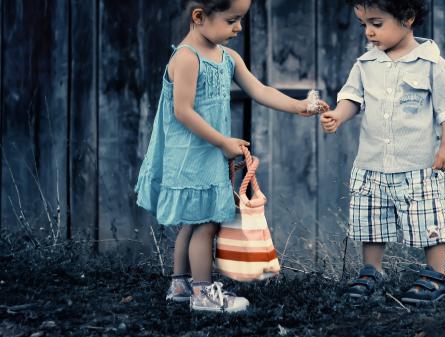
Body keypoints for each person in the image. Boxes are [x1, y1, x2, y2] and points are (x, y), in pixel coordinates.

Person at [135, 0, 328, 313]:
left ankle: (180, 284)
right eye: (232, 20)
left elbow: (260, 90)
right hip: (191, 154)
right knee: (207, 222)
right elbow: (182, 111)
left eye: (241, 19)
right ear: (199, 17)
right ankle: (203, 294)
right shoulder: (187, 57)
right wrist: (223, 142)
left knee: (192, 221)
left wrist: (299, 106)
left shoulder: (227, 58)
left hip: (207, 153)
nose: (239, 27)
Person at [320, 0, 445, 304]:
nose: (368, 33)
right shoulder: (366, 64)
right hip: (372, 162)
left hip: (417, 164)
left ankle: (437, 274)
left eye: (376, 24)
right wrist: (339, 114)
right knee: (371, 220)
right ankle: (372, 271)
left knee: (429, 218)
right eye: (364, 24)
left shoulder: (433, 65)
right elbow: (353, 97)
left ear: (407, 19)